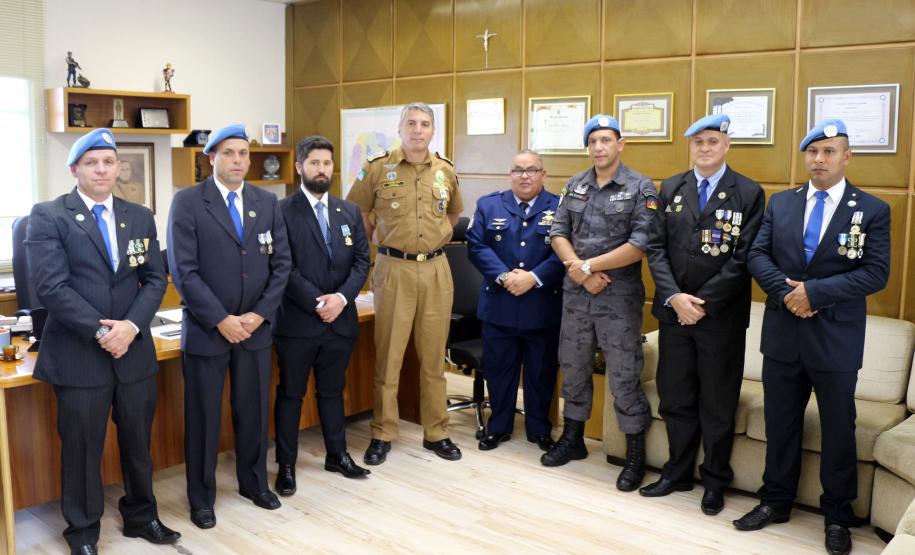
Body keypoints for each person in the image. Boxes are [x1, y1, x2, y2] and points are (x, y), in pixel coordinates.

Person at [735, 119, 890, 555]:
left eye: (828, 152)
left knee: (839, 429)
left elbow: (876, 273)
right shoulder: (782, 203)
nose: (818, 160)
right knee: (780, 424)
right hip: (784, 334)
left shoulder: (872, 210)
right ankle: (775, 501)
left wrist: (814, 293)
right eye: (812, 152)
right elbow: (756, 255)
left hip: (834, 340)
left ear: (847, 157)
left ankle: (838, 515)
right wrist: (789, 295)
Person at [26, 128, 180, 555]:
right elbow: (51, 288)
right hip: (79, 356)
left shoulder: (139, 215)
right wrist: (102, 331)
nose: (100, 169)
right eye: (91, 162)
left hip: (133, 353)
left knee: (138, 442)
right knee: (81, 449)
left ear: (118, 168)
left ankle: (142, 516)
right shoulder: (49, 215)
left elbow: (153, 278)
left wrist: (130, 327)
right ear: (74, 169)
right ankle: (82, 532)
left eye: (108, 162)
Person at [167, 123, 291, 529]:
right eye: (230, 153)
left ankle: (253, 483)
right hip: (208, 330)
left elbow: (281, 265)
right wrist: (221, 319)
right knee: (203, 418)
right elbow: (183, 272)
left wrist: (258, 315)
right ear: (212, 158)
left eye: (244, 153)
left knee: (253, 411)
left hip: (255, 330)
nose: (239, 160)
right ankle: (201, 498)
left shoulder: (266, 202)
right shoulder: (188, 203)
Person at [640, 114, 765, 515]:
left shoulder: (748, 192)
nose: (705, 148)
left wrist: (701, 303)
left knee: (717, 402)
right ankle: (676, 473)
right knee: (675, 398)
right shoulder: (672, 186)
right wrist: (676, 298)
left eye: (713, 141)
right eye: (698, 142)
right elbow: (656, 249)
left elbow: (744, 258)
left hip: (719, 318)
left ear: (726, 145)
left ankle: (714, 481)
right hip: (674, 313)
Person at [346, 102, 465, 464]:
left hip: (435, 269)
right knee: (389, 357)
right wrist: (381, 242)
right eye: (411, 123)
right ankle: (383, 432)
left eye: (424, 124)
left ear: (432, 131)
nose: (417, 130)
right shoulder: (378, 167)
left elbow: (455, 213)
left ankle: (437, 431)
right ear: (400, 129)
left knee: (433, 359)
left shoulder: (445, 170)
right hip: (393, 268)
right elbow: (358, 214)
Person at [546, 114, 656, 493]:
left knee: (624, 375)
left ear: (620, 145)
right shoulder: (575, 185)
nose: (599, 147)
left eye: (606, 140)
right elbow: (558, 232)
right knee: (574, 368)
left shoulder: (641, 187)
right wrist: (577, 271)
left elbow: (641, 244)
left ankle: (634, 453)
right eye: (593, 141)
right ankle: (572, 439)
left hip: (618, 298)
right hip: (577, 295)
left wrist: (589, 266)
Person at [273, 135, 371, 496]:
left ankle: (337, 454)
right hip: (298, 323)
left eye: (326, 163)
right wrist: (319, 303)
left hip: (340, 322)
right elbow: (282, 266)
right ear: (300, 167)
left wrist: (342, 299)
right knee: (291, 395)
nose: (321, 169)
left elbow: (362, 261)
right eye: (314, 163)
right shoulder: (280, 211)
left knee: (333, 392)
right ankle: (286, 465)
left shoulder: (349, 211)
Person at [466, 149, 563, 452]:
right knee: (499, 370)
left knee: (540, 373)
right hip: (500, 304)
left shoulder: (561, 207)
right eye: (518, 170)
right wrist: (506, 277)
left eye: (532, 170)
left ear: (542, 175)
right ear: (509, 174)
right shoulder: (488, 204)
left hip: (541, 306)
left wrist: (532, 278)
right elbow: (477, 247)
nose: (525, 176)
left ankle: (539, 428)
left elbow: (565, 252)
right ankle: (498, 426)